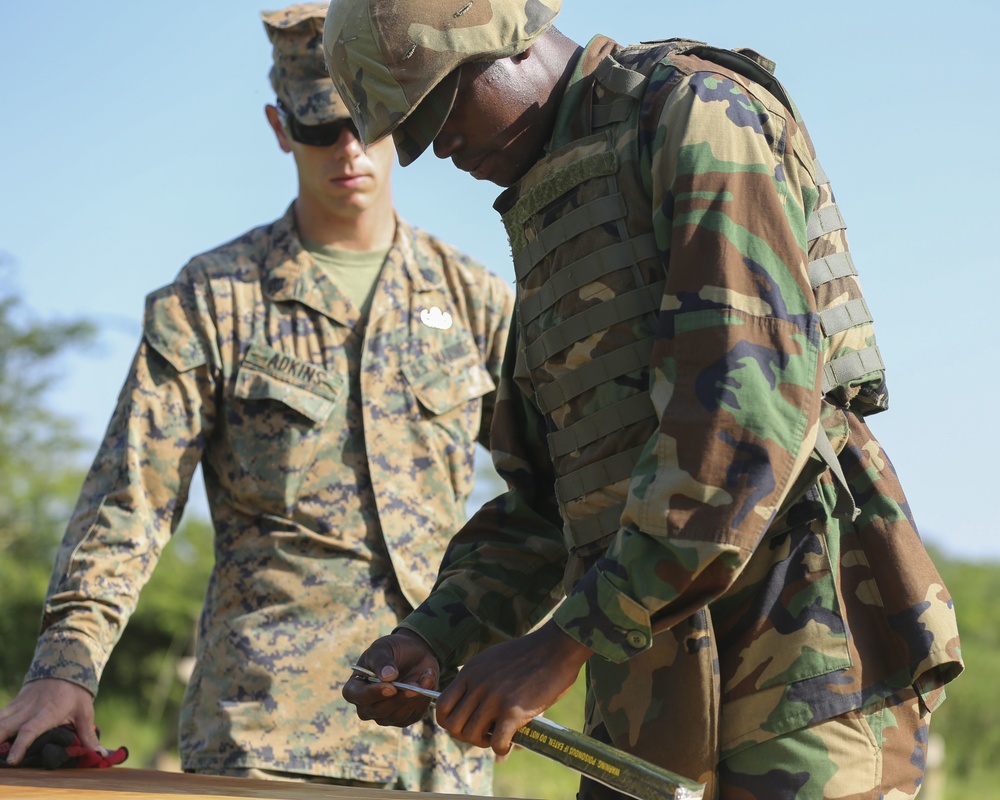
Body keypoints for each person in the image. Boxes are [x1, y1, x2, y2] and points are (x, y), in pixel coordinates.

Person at [326, 1, 964, 798]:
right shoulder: (556, 199)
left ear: (494, 38)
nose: (435, 148)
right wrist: (438, 631)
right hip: (649, 700)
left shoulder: (695, 113)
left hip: (797, 667)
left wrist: (559, 647)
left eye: (436, 107)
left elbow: (747, 414)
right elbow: (551, 503)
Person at [0, 2, 513, 793]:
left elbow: (555, 494)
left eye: (363, 122)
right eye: (317, 130)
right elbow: (131, 497)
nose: (347, 150)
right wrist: (65, 665)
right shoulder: (214, 298)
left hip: (437, 747)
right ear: (280, 127)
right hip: (266, 742)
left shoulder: (474, 300)